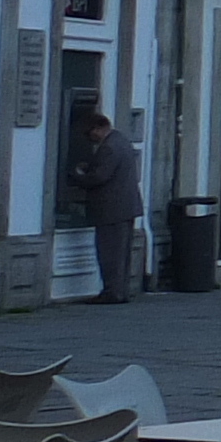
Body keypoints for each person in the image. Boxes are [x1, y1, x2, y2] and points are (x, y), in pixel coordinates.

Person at [70, 110, 141, 305]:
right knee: (121, 254)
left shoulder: (109, 147)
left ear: (98, 128)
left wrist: (78, 177)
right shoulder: (122, 140)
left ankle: (112, 292)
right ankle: (120, 290)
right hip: (125, 207)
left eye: (89, 133)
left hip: (111, 209)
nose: (89, 138)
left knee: (110, 253)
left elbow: (100, 176)